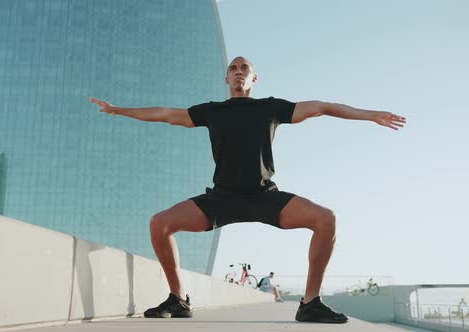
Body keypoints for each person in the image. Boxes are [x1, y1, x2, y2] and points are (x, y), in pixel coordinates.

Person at [89, 56, 406, 323]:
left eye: (244, 68)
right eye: (233, 68)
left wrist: (370, 116)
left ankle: (310, 303)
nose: (239, 71)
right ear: (226, 78)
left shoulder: (272, 108)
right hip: (221, 199)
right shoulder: (212, 110)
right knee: (160, 223)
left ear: (254, 78)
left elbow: (322, 106)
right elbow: (164, 114)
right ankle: (177, 299)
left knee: (325, 219)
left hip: (264, 197)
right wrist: (118, 110)